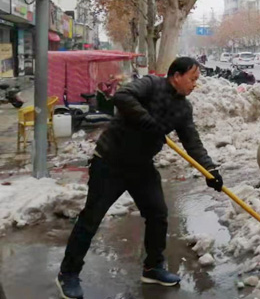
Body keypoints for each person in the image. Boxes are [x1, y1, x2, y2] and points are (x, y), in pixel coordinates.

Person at [56, 57, 223, 299]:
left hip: (141, 166)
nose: (195, 84)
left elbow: (192, 143)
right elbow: (122, 97)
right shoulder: (151, 85)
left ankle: (153, 267)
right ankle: (68, 273)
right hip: (110, 161)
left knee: (157, 213)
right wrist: (147, 121)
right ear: (176, 75)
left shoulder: (183, 109)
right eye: (192, 78)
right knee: (91, 218)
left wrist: (210, 171)